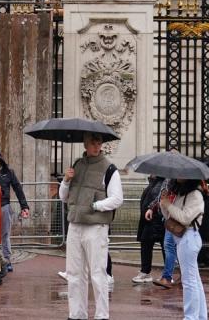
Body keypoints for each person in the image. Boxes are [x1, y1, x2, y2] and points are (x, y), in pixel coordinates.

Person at [60, 133, 123, 320]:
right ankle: (76, 314)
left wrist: (96, 206)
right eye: (93, 143)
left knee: (97, 273)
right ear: (85, 145)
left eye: (99, 143)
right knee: (74, 273)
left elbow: (117, 198)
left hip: (95, 226)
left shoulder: (109, 168)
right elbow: (64, 197)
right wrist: (66, 180)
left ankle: (102, 316)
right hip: (75, 225)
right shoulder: (77, 165)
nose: (97, 147)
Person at [160, 178, 207, 320]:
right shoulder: (182, 193)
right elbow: (169, 216)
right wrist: (164, 204)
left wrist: (168, 205)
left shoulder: (195, 195)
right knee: (194, 280)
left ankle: (191, 316)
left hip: (189, 237)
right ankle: (199, 316)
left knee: (189, 281)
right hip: (182, 238)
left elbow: (185, 218)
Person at [0, 149, 30, 273]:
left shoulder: (9, 172)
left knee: (5, 235)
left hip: (4, 206)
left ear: (0, 160)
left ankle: (7, 260)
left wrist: (24, 206)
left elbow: (18, 188)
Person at [134, 175, 166, 284]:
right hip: (151, 221)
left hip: (155, 221)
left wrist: (151, 210)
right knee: (148, 245)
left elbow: (158, 200)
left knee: (160, 246)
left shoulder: (162, 183)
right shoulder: (155, 183)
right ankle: (147, 272)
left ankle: (163, 274)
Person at [153, 178, 179, 288]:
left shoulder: (178, 184)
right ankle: (169, 276)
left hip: (176, 219)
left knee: (170, 246)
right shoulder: (169, 182)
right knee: (172, 247)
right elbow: (161, 199)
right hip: (171, 219)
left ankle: (168, 277)